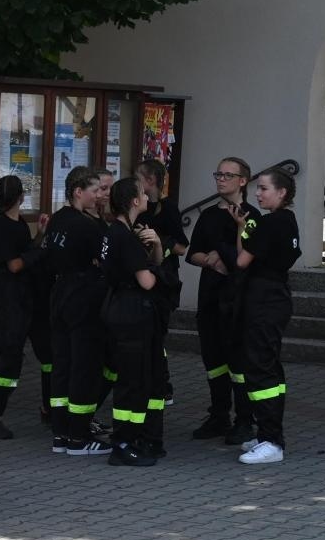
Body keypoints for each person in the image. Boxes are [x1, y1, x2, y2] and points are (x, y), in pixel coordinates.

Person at [186, 157, 258, 445]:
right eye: (218, 173)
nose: (221, 179)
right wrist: (210, 259)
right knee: (213, 360)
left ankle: (244, 420)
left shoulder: (251, 215)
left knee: (238, 364)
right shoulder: (207, 216)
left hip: (238, 300)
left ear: (243, 181)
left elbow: (248, 258)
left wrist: (223, 253)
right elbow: (192, 254)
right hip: (211, 297)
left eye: (228, 175)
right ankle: (218, 415)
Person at [232, 168, 301, 464]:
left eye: (264, 189)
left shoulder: (270, 222)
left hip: (264, 300)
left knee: (261, 367)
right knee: (267, 365)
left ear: (281, 192)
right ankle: (267, 435)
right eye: (258, 189)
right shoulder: (287, 220)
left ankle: (272, 441)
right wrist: (247, 228)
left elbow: (241, 259)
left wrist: (245, 228)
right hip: (273, 297)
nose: (258, 194)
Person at [101, 177, 169, 467]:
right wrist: (160, 274)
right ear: (133, 201)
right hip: (131, 313)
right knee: (131, 382)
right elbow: (147, 280)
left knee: (143, 378)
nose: (146, 197)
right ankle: (123, 443)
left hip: (122, 309)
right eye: (142, 194)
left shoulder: (117, 232)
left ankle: (143, 438)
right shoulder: (124, 237)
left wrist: (155, 246)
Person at [43, 167, 111, 457]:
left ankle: (60, 433)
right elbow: (106, 259)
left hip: (59, 296)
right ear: (77, 192)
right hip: (83, 298)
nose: (99, 196)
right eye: (95, 190)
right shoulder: (87, 226)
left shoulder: (57, 220)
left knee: (62, 365)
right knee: (84, 366)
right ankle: (79, 437)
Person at [0, 175, 49, 441]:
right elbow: (15, 264)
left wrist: (39, 236)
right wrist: (42, 251)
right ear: (21, 197)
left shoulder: (14, 222)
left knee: (43, 353)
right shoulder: (2, 226)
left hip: (22, 297)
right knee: (8, 362)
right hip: (9, 299)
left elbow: (22, 254)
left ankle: (49, 409)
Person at [135, 160, 189, 404]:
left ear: (150, 181)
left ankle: (162, 384)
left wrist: (161, 244)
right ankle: (150, 380)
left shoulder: (168, 209)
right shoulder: (137, 208)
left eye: (139, 177)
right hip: (139, 276)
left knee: (157, 334)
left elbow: (181, 247)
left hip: (162, 280)